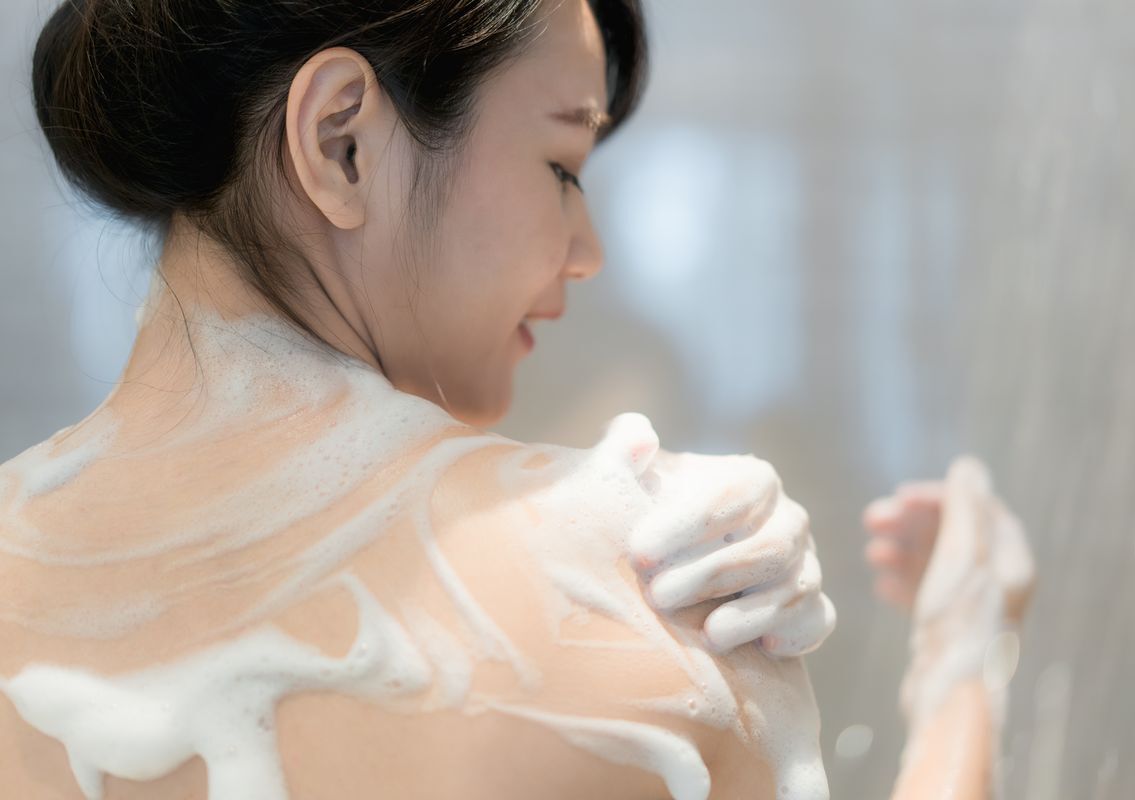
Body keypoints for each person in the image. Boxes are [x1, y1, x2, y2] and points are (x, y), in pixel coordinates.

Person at [0, 0, 1034, 797]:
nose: (587, 253)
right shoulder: (630, 605)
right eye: (562, 163)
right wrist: (963, 660)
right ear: (340, 142)